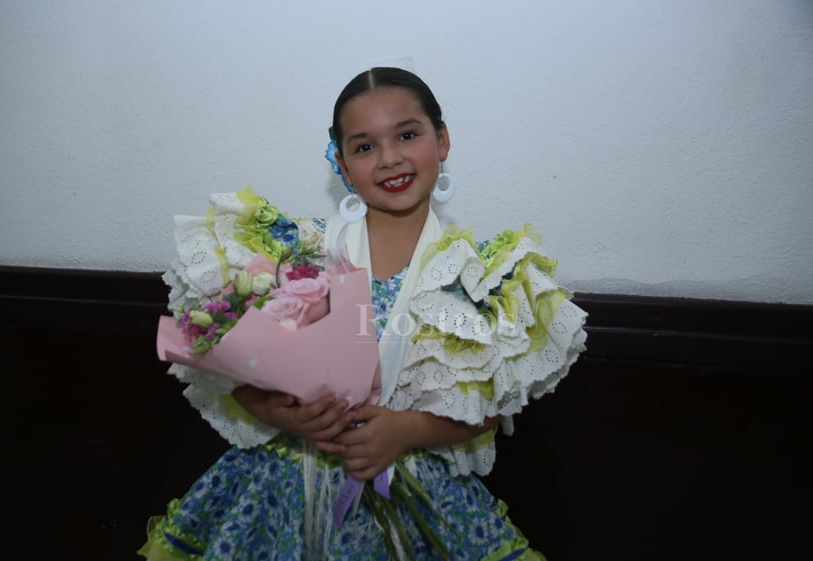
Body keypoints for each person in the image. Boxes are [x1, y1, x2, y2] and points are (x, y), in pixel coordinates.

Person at [138, 66, 587, 561]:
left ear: (442, 141)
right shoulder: (295, 251)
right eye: (364, 146)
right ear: (342, 164)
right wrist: (280, 413)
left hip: (420, 495)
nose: (389, 158)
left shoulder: (482, 278)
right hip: (280, 491)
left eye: (408, 135)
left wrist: (406, 429)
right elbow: (237, 373)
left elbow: (490, 403)